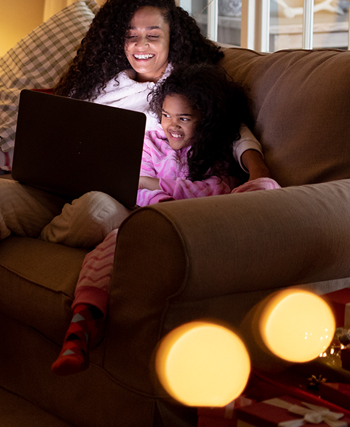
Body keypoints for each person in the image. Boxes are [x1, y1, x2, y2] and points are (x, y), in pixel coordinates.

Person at [0, 0, 273, 364]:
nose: (140, 46)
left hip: (118, 202)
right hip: (61, 187)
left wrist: (258, 169)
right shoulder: (103, 78)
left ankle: (45, 234)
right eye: (131, 36)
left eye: (152, 36)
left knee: (96, 207)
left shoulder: (184, 87)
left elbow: (231, 129)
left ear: (172, 38)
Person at [51, 64, 280, 375]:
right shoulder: (150, 143)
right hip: (154, 223)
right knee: (117, 241)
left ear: (206, 121)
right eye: (167, 115)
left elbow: (217, 190)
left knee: (265, 188)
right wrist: (163, 198)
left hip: (205, 223)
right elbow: (137, 189)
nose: (172, 125)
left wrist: (160, 186)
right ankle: (78, 334)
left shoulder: (216, 151)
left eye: (184, 118)